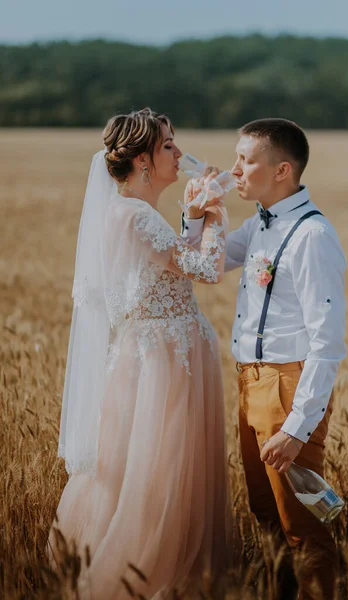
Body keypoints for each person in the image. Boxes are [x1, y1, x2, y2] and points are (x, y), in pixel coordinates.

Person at [47, 108, 230, 600]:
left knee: (166, 465)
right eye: (168, 145)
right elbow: (205, 268)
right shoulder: (130, 214)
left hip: (170, 349)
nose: (177, 152)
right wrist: (215, 214)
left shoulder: (136, 212)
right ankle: (144, 568)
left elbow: (171, 263)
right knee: (159, 469)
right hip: (162, 359)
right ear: (144, 160)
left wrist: (191, 217)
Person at [182, 118, 347, 600]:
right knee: (264, 511)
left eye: (245, 160)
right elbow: (201, 261)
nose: (234, 169)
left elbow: (327, 341)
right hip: (249, 382)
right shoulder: (259, 223)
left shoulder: (312, 236)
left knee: (302, 524)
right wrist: (196, 212)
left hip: (287, 387)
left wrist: (297, 427)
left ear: (282, 170)